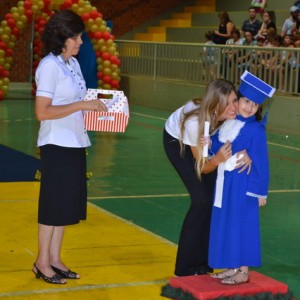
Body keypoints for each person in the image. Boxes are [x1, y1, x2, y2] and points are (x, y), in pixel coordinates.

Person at [33, 10, 108, 284]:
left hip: (76, 142)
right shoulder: (49, 67)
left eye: (80, 36)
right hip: (56, 144)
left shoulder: (72, 64)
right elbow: (43, 111)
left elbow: (80, 103)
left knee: (65, 205)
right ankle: (41, 262)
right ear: (62, 37)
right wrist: (81, 105)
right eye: (75, 37)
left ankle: (54, 258)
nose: (80, 41)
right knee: (53, 204)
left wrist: (107, 110)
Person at [163, 79, 251, 277]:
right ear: (214, 104)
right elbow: (203, 167)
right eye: (226, 103)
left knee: (214, 199)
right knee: (201, 200)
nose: (233, 107)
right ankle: (185, 267)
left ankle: (203, 263)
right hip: (177, 142)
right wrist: (218, 159)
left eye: (235, 100)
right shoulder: (196, 122)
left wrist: (247, 154)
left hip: (204, 143)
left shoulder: (233, 113)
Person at [207, 71, 276, 285]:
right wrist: (210, 143)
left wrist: (259, 191)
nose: (249, 107)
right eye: (246, 101)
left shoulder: (256, 130)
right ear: (239, 99)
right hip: (227, 185)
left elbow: (261, 160)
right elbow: (221, 145)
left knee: (243, 226)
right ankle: (232, 266)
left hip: (244, 187)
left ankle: (243, 271)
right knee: (229, 224)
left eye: (254, 105)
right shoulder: (229, 122)